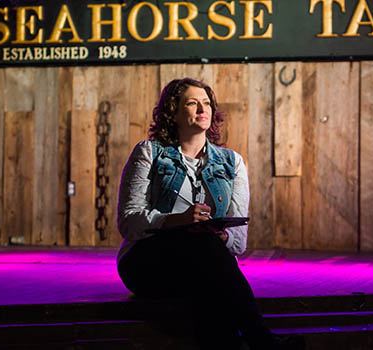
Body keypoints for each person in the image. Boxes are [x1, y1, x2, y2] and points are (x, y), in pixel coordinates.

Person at [116, 78, 304, 350]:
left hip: (205, 264)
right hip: (148, 263)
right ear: (173, 112)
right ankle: (262, 340)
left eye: (206, 103)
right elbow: (128, 221)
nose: (202, 109)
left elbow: (238, 242)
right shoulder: (149, 152)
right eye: (192, 103)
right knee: (207, 258)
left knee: (209, 279)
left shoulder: (231, 162)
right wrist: (174, 220)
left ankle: (257, 342)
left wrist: (222, 235)